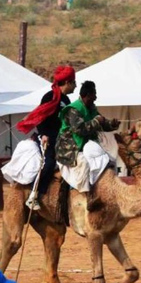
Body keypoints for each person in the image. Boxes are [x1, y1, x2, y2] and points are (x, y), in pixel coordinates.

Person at [16, 65, 76, 211]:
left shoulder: (66, 100)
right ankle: (34, 195)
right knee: (49, 163)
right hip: (47, 138)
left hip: (61, 139)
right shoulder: (50, 97)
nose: (75, 85)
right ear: (67, 82)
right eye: (74, 82)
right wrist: (43, 134)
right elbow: (40, 117)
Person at [56, 81, 120, 197]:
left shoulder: (91, 108)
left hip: (87, 147)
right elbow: (80, 130)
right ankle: (86, 195)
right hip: (71, 149)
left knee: (109, 160)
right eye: (94, 94)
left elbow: (102, 123)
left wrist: (112, 124)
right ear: (87, 95)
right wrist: (96, 121)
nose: (95, 97)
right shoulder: (74, 110)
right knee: (84, 163)